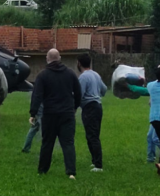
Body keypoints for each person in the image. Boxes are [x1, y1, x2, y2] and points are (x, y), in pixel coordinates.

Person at [30, 49, 81, 179]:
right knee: (68, 143)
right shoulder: (70, 73)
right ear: (60, 58)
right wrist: (74, 107)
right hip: (67, 113)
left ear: (47, 59)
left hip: (50, 114)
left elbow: (37, 96)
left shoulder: (43, 75)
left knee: (47, 143)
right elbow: (78, 92)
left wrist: (33, 113)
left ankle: (42, 170)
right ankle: (71, 172)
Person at [77, 53, 108, 172]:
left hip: (89, 107)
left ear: (79, 63)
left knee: (92, 136)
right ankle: (94, 161)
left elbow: (80, 94)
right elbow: (104, 90)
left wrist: (74, 106)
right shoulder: (96, 74)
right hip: (98, 106)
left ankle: (98, 165)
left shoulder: (83, 77)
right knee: (92, 134)